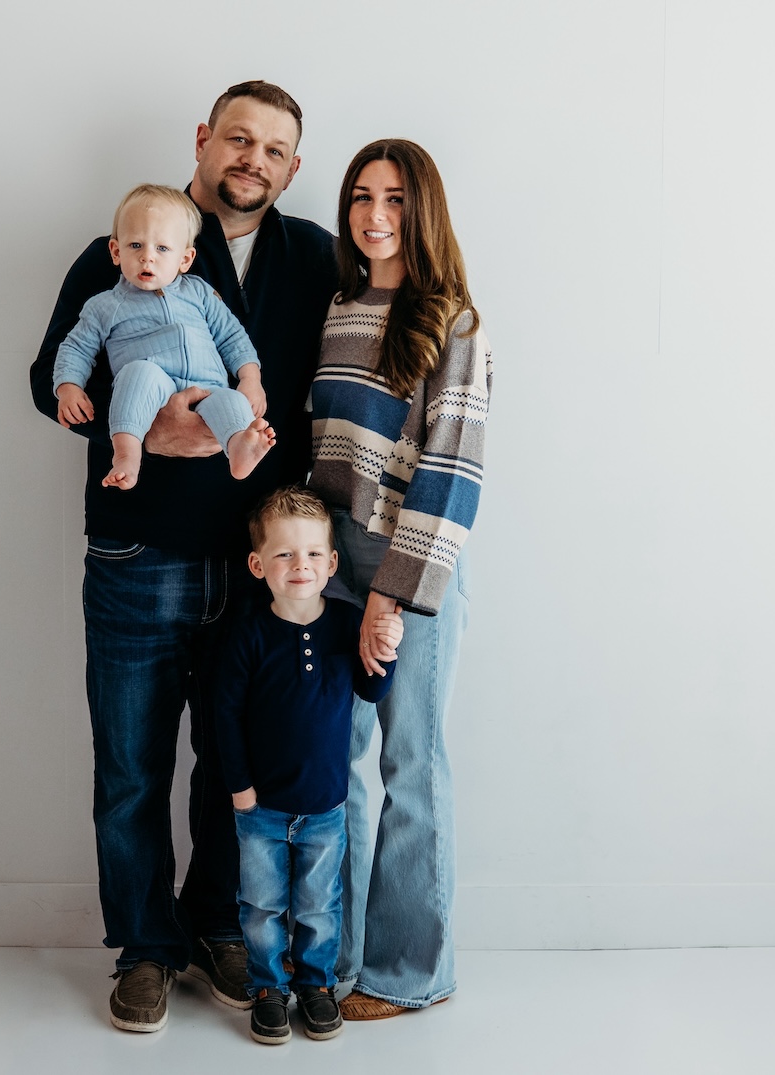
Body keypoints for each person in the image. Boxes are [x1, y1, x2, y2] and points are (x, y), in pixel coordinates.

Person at [29, 81, 338, 1033]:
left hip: (259, 566)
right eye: (237, 139)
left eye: (274, 150)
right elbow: (52, 377)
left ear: (291, 168)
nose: (252, 159)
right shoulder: (121, 246)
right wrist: (141, 431)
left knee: (230, 761)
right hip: (139, 550)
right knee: (130, 764)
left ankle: (216, 928)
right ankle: (146, 948)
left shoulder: (313, 257)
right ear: (203, 142)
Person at [307, 139, 492, 1019]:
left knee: (411, 764)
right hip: (332, 567)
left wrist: (388, 594)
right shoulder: (340, 306)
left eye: (394, 199)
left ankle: (412, 972)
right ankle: (337, 962)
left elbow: (451, 476)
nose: (375, 215)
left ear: (423, 211)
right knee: (334, 767)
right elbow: (328, 452)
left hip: (413, 571)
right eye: (360, 197)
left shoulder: (453, 321)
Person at [215, 486, 403, 1044]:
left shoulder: (346, 626)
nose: (302, 566)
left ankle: (317, 987)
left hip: (325, 805)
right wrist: (240, 790)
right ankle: (269, 988)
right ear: (258, 564)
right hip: (261, 808)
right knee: (261, 905)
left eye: (314, 554)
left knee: (321, 905)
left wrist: (386, 649)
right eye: (285, 554)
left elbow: (370, 690)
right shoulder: (247, 636)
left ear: (333, 562)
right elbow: (224, 717)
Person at [52, 184, 277, 489]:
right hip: (153, 388)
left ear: (185, 259)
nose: (148, 258)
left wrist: (251, 378)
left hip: (208, 386)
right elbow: (76, 348)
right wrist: (68, 387)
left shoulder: (199, 293)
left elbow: (232, 335)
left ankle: (239, 448)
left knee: (234, 402)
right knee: (137, 374)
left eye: (162, 248)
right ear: (116, 251)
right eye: (135, 246)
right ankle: (126, 457)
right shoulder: (106, 306)